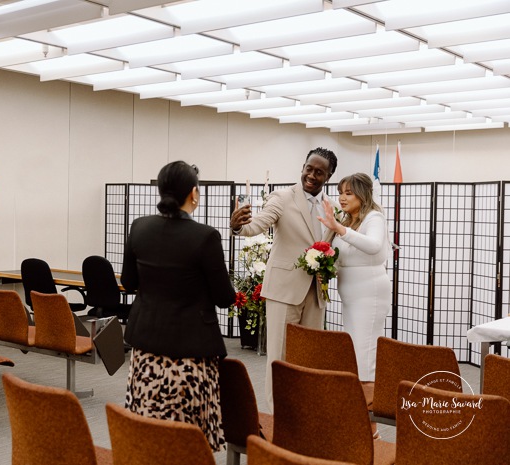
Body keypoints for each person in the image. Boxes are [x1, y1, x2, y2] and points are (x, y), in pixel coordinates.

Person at [121, 161, 235, 451]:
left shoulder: (139, 227)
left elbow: (129, 282)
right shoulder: (206, 237)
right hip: (190, 355)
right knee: (186, 440)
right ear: (194, 193)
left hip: (146, 349)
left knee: (149, 430)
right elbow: (225, 298)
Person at [230, 147, 338, 410]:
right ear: (303, 167)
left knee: (309, 357)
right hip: (283, 291)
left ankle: (304, 413)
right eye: (308, 169)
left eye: (319, 172)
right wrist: (238, 226)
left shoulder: (332, 208)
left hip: (316, 293)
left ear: (329, 175)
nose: (311, 175)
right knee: (278, 357)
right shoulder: (281, 197)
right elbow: (257, 225)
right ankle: (278, 416)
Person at [318, 173, 391, 382]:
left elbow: (374, 245)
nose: (342, 198)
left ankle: (368, 403)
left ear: (362, 194)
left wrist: (339, 229)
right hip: (350, 296)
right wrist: (325, 270)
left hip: (369, 294)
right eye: (340, 192)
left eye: (348, 193)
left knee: (365, 349)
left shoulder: (374, 217)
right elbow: (344, 258)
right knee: (354, 349)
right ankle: (357, 400)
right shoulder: (347, 220)